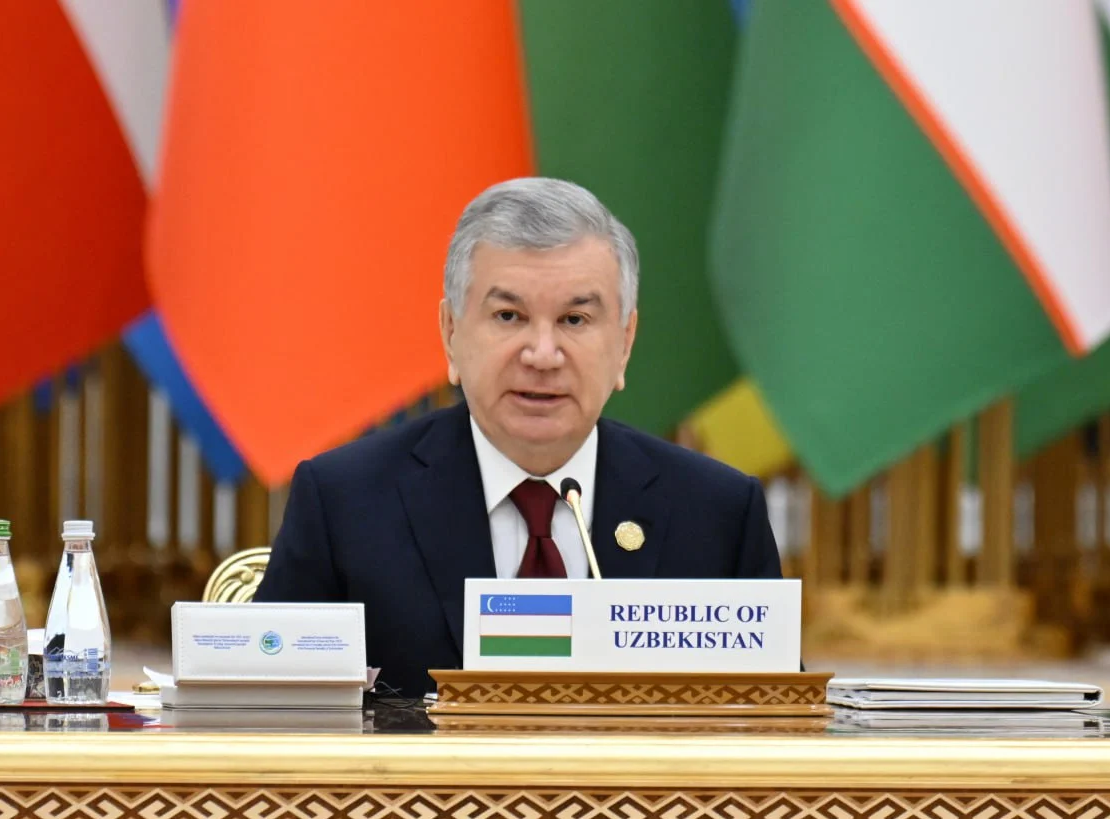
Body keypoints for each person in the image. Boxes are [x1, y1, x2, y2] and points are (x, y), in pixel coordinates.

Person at [254, 177, 783, 696]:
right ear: (451, 333)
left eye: (574, 319)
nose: (542, 355)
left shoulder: (716, 515)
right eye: (509, 316)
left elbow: (776, 729)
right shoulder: (345, 503)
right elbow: (271, 717)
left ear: (624, 343)